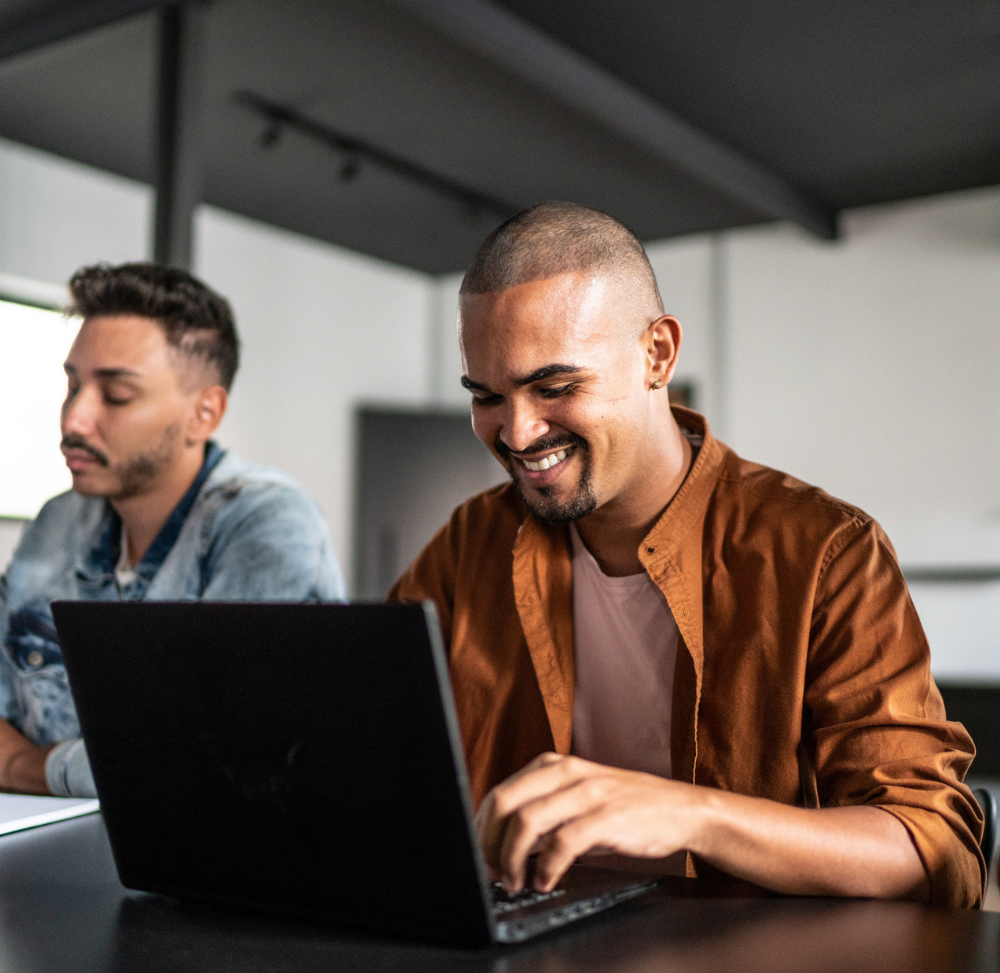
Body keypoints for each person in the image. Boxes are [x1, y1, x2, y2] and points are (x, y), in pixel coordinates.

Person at [391, 202, 984, 908]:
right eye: (487, 396)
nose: (516, 433)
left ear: (658, 355)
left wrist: (689, 812)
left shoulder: (826, 552)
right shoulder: (469, 545)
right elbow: (371, 756)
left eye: (555, 387)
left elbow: (932, 847)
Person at [0, 263, 345, 797]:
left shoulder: (266, 521)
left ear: (203, 414)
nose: (73, 419)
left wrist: (28, 766)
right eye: (72, 385)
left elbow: (220, 765)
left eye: (115, 396)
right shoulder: (58, 519)